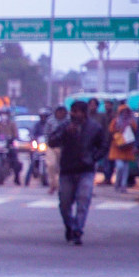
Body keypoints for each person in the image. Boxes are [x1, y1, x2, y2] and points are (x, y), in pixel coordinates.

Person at [49, 101, 108, 244]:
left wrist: (93, 158)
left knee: (83, 199)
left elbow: (103, 145)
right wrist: (65, 133)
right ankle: (69, 225)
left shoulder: (94, 128)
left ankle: (78, 230)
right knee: (64, 203)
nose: (74, 114)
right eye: (72, 111)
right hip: (67, 169)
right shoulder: (64, 126)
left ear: (84, 113)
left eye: (77, 112)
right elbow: (51, 141)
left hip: (85, 170)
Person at [107, 104, 136, 193]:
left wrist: (129, 127)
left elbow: (135, 130)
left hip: (127, 147)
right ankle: (117, 183)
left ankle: (123, 185)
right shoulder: (116, 121)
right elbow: (111, 130)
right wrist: (118, 131)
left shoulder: (132, 122)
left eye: (126, 112)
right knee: (120, 167)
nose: (125, 114)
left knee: (126, 168)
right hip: (117, 146)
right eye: (123, 112)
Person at [43, 105, 68, 194]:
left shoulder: (68, 121)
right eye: (59, 112)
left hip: (64, 147)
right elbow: (46, 133)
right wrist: (47, 143)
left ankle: (59, 186)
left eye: (62, 112)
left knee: (61, 168)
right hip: (52, 147)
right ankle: (52, 185)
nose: (61, 114)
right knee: (51, 165)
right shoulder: (50, 120)